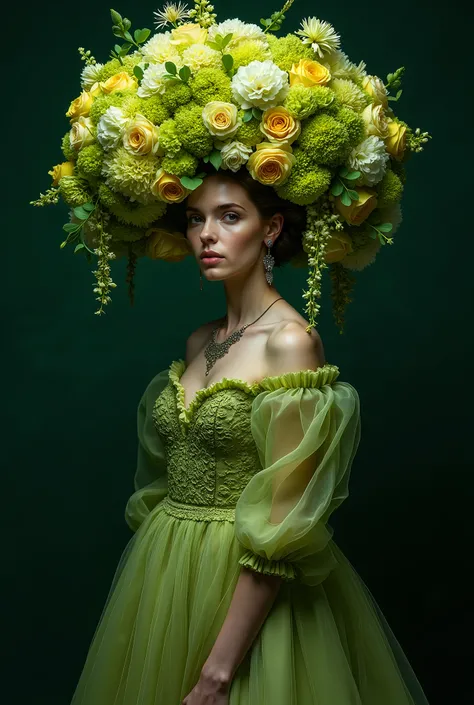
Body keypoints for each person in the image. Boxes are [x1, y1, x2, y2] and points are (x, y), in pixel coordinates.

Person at [69, 167, 430, 705]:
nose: (206, 235)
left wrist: (218, 674)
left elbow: (285, 518)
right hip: (167, 574)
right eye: (195, 219)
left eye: (229, 216)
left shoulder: (291, 343)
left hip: (246, 585)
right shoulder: (200, 340)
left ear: (270, 227)